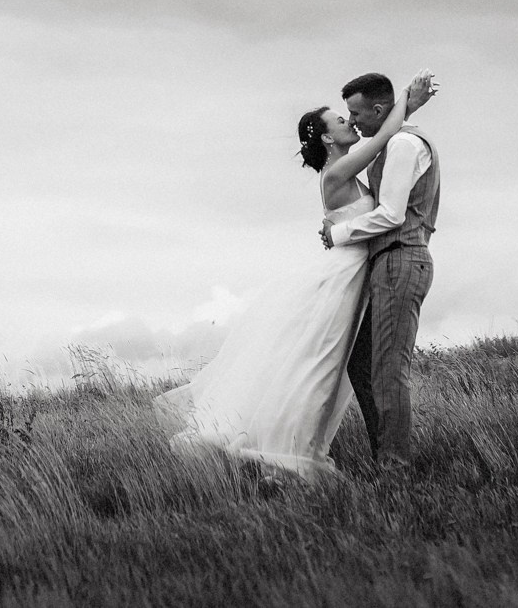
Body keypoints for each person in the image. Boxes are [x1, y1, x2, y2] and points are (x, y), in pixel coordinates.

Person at [156, 70, 438, 475]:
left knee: (336, 366)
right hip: (346, 277)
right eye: (341, 120)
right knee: (316, 368)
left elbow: (383, 149)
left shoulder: (350, 170)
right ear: (327, 138)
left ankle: (329, 448)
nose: (349, 121)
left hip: (358, 272)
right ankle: (294, 449)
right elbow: (380, 140)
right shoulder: (338, 173)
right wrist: (408, 102)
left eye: (351, 115)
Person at [319, 71, 440, 467]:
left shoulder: (404, 144)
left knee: (388, 373)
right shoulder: (392, 142)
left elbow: (391, 215)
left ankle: (394, 468)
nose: (351, 121)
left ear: (377, 109)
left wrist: (338, 233)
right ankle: (383, 455)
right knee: (363, 364)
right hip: (387, 262)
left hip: (400, 257)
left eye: (354, 113)